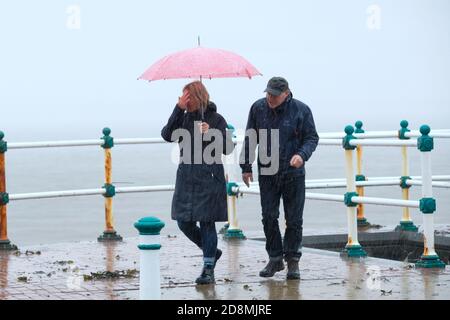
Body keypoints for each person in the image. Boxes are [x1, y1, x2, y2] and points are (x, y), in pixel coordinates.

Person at [240, 77, 319, 280]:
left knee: (293, 220)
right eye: (268, 93)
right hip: (267, 172)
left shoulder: (302, 110)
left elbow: (312, 137)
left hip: (293, 173)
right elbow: (251, 136)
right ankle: (275, 258)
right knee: (268, 216)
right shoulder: (257, 108)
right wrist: (246, 166)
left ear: (286, 93)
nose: (270, 98)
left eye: (275, 95)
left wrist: (302, 155)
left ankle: (293, 261)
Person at [161, 81, 234, 285]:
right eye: (182, 97)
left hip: (210, 176)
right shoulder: (183, 118)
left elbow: (228, 148)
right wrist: (178, 109)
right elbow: (167, 135)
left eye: (186, 96)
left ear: (197, 96)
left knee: (207, 222)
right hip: (186, 176)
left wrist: (211, 133)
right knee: (183, 221)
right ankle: (212, 251)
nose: (183, 100)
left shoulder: (217, 119)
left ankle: (208, 268)